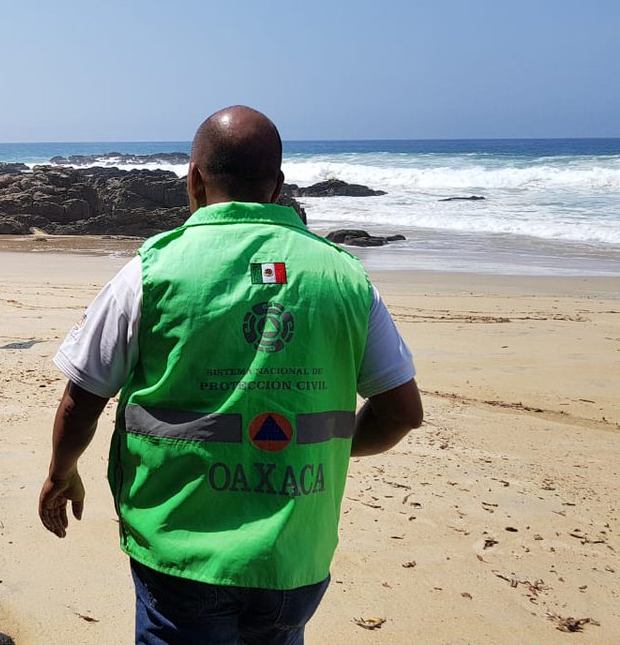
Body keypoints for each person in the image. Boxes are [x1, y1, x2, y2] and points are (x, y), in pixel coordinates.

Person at [38, 105, 423, 644]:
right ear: (278, 186)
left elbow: (84, 396)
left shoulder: (152, 270)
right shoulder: (345, 276)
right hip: (295, 555)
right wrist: (326, 449)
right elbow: (404, 411)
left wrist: (61, 472)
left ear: (193, 179)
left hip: (181, 553)